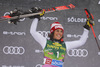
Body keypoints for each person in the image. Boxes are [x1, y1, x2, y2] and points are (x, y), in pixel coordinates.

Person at [8, 7, 94, 67]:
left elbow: (81, 42)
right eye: (57, 31)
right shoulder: (45, 42)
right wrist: (37, 18)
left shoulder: (65, 45)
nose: (59, 33)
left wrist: (87, 28)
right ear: (52, 32)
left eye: (61, 31)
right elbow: (33, 32)